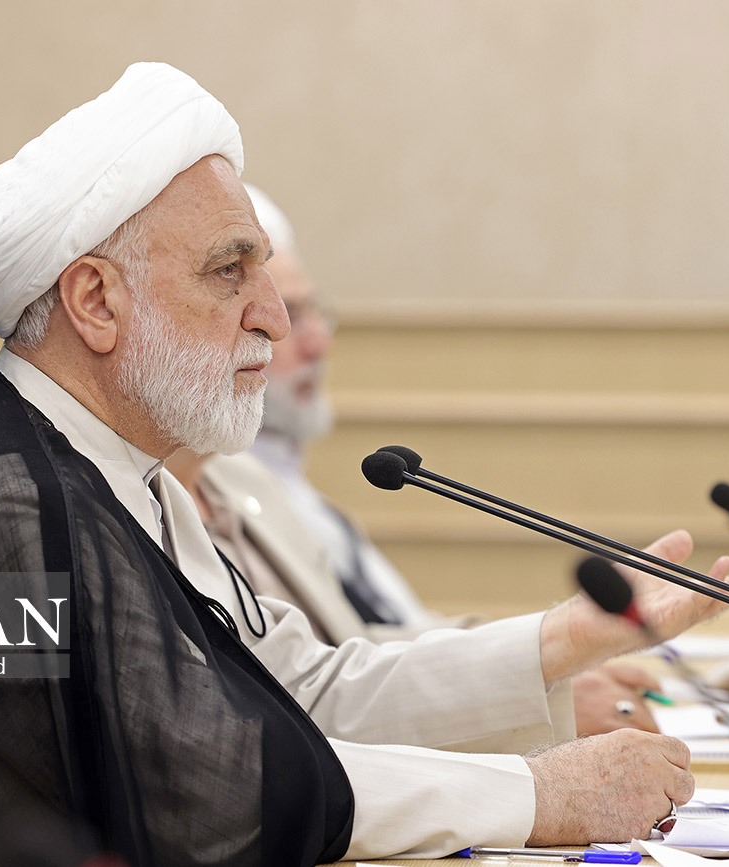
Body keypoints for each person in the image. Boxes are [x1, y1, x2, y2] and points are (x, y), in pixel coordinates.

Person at [0, 63, 729, 866]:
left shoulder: (123, 478)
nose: (272, 317)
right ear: (95, 302)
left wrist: (557, 639)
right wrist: (535, 796)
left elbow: (296, 696)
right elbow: (200, 798)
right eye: (229, 270)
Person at [178, 183, 671, 738]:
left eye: (307, 312)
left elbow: (348, 660)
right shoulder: (130, 506)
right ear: (106, 306)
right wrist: (539, 692)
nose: (295, 337)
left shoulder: (243, 482)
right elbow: (289, 709)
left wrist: (553, 651)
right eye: (252, 301)